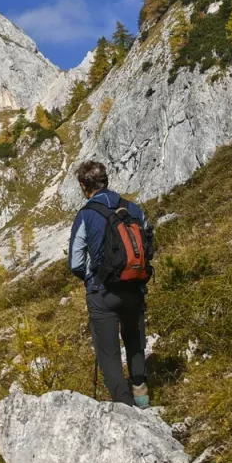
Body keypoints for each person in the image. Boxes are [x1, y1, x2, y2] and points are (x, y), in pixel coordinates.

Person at [68, 160, 151, 408]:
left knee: (109, 353)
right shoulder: (133, 208)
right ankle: (142, 395)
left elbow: (75, 262)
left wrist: (92, 279)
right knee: (134, 339)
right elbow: (148, 244)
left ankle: (125, 408)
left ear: (84, 186)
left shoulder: (85, 215)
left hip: (102, 292)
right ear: (106, 180)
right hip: (134, 287)